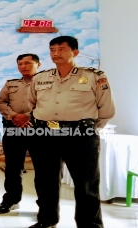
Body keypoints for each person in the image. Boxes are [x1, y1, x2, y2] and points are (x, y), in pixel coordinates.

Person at [25, 36, 115, 228]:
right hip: (46, 134)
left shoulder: (94, 76)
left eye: (61, 49)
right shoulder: (40, 78)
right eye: (52, 50)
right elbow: (31, 104)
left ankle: (89, 224)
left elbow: (106, 110)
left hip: (80, 136)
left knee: (86, 183)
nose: (55, 53)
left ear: (75, 52)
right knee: (45, 181)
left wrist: (84, 128)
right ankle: (47, 220)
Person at [0, 53, 41, 214]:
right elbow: (1, 102)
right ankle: (11, 200)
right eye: (20, 64)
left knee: (43, 169)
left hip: (39, 129)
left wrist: (26, 117)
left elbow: (49, 104)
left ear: (38, 64)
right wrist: (14, 116)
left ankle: (45, 205)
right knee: (13, 168)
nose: (23, 66)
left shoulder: (46, 83)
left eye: (27, 63)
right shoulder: (11, 84)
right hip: (13, 128)